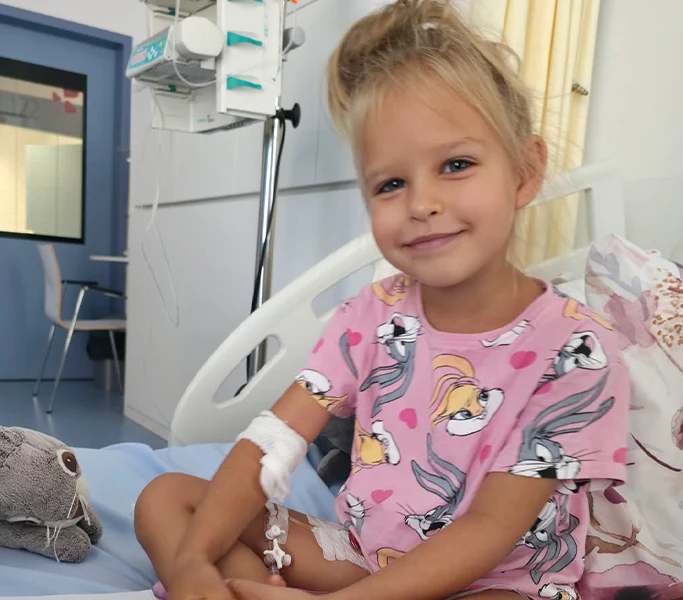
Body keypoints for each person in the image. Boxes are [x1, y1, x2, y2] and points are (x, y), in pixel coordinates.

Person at [134, 1, 629, 599]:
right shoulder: (369, 318)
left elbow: (490, 528)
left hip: (496, 581)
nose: (421, 203)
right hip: (364, 561)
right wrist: (191, 561)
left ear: (525, 171)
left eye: (456, 164)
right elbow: (270, 442)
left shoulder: (576, 348)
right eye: (391, 183)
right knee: (168, 499)